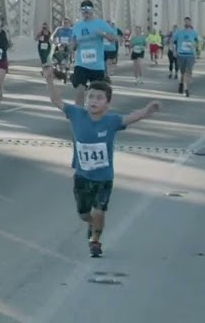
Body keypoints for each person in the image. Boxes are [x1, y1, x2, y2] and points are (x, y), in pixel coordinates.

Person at [43, 76, 161, 258]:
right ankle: (92, 224)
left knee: (99, 211)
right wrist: (49, 79)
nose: (94, 101)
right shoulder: (76, 114)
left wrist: (147, 110)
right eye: (91, 97)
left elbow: (131, 117)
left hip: (104, 178)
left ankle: (95, 241)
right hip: (82, 177)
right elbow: (56, 100)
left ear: (108, 104)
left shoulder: (111, 121)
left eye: (99, 98)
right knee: (84, 214)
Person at [69, 0, 118, 107]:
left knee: (98, 92)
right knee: (80, 88)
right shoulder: (77, 25)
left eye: (88, 10)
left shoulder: (100, 23)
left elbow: (114, 38)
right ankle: (79, 113)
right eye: (83, 10)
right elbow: (72, 42)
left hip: (97, 65)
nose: (85, 12)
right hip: (81, 63)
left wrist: (103, 34)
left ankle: (97, 113)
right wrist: (72, 46)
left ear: (92, 11)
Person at [171, 17, 199, 98]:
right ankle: (181, 83)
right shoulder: (179, 32)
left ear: (190, 23)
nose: (187, 23)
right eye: (185, 21)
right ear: (184, 23)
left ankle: (186, 89)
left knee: (188, 72)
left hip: (190, 55)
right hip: (181, 54)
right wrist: (174, 51)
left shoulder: (194, 33)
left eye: (188, 22)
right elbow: (172, 41)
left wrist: (195, 49)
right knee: (182, 72)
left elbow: (197, 42)